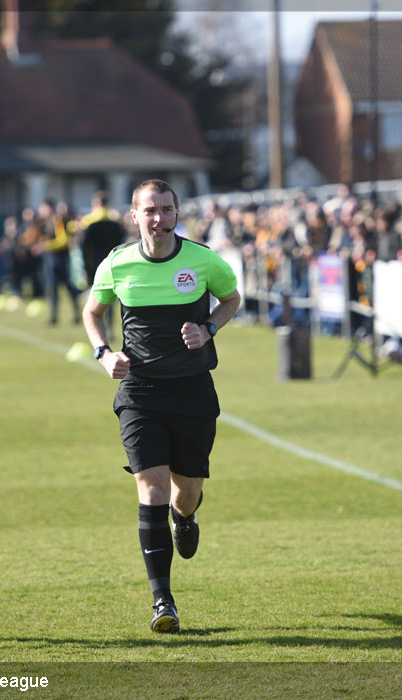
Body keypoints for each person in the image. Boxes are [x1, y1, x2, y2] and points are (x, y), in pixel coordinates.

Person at [82, 179, 241, 633]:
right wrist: (104, 353)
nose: (159, 218)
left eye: (166, 209)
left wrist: (208, 327)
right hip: (140, 393)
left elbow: (232, 299)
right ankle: (162, 601)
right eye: (149, 210)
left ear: (177, 213)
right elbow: (93, 312)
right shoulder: (117, 263)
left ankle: (184, 517)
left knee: (184, 493)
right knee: (149, 490)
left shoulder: (204, 260)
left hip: (192, 392)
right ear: (135, 216)